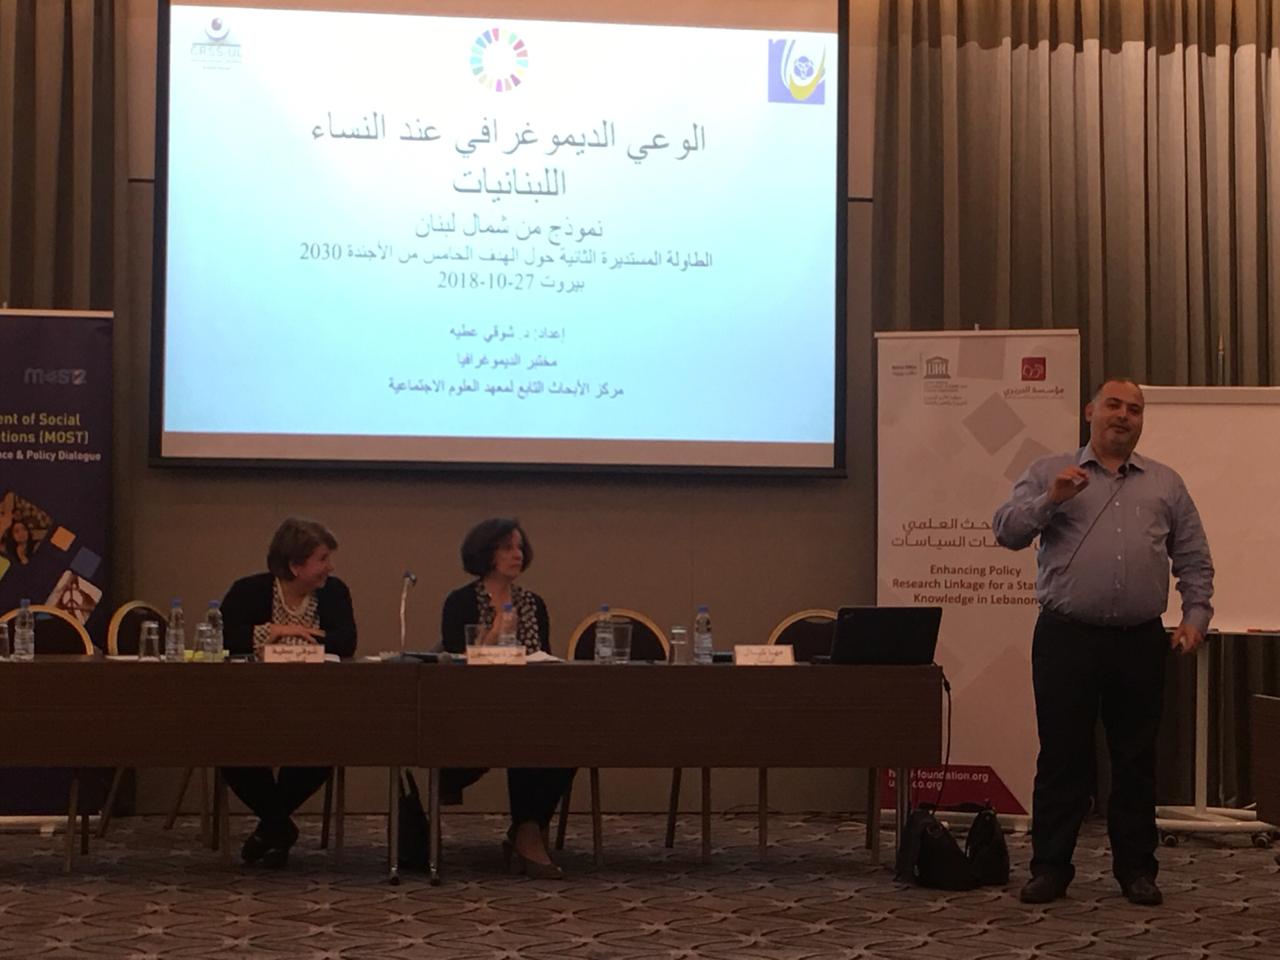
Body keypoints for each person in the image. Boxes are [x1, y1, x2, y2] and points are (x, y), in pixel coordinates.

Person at [993, 378, 1214, 907]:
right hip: (1066, 637)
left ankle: (1137, 871)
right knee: (1063, 757)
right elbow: (1006, 531)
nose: (1123, 415)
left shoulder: (1165, 483)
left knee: (1135, 760)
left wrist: (1195, 616)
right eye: (1113, 405)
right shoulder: (1050, 471)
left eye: (1134, 409)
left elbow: (1193, 558)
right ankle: (1050, 868)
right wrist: (1051, 499)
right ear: (1090, 411)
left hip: (1140, 641)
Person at [219, 517, 357, 867]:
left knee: (324, 747)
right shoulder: (248, 591)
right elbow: (225, 637)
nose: (330, 567)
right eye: (322, 559)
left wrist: (289, 639)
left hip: (313, 705)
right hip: (253, 703)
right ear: (295, 565)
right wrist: (272, 632)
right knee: (229, 747)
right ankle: (278, 826)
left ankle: (273, 827)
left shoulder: (334, 592)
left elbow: (345, 641)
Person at [440, 517, 573, 878]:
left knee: (568, 736)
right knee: (526, 734)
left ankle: (527, 829)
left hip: (528, 706)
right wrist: (497, 630)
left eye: (520, 547)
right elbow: (456, 664)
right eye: (507, 548)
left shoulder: (533, 603)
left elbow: (543, 658)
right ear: (486, 553)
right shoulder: (460, 602)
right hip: (473, 710)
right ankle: (527, 835)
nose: (518, 554)